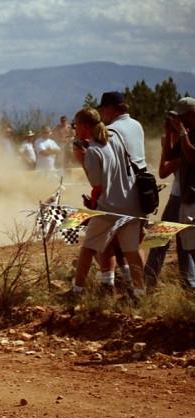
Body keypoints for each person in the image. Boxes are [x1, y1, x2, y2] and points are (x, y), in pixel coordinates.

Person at [69, 107, 145, 298]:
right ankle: (139, 293)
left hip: (109, 207)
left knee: (88, 248)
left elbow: (97, 185)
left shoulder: (93, 151)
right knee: (132, 251)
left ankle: (77, 290)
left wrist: (82, 160)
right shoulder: (114, 141)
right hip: (131, 203)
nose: (74, 129)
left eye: (76, 125)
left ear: (85, 126)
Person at [144, 106, 195, 288]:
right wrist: (167, 140)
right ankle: (186, 283)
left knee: (177, 242)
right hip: (177, 197)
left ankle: (186, 282)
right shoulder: (180, 144)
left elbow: (164, 170)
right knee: (168, 240)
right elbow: (163, 169)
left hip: (182, 198)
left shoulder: (186, 144)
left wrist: (173, 139)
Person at [167, 98, 195, 272]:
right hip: (187, 196)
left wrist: (183, 133)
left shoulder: (188, 134)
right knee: (190, 246)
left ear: (192, 114)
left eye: (182, 117)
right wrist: (170, 134)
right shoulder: (188, 133)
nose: (180, 121)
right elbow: (170, 155)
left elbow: (192, 156)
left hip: (194, 197)